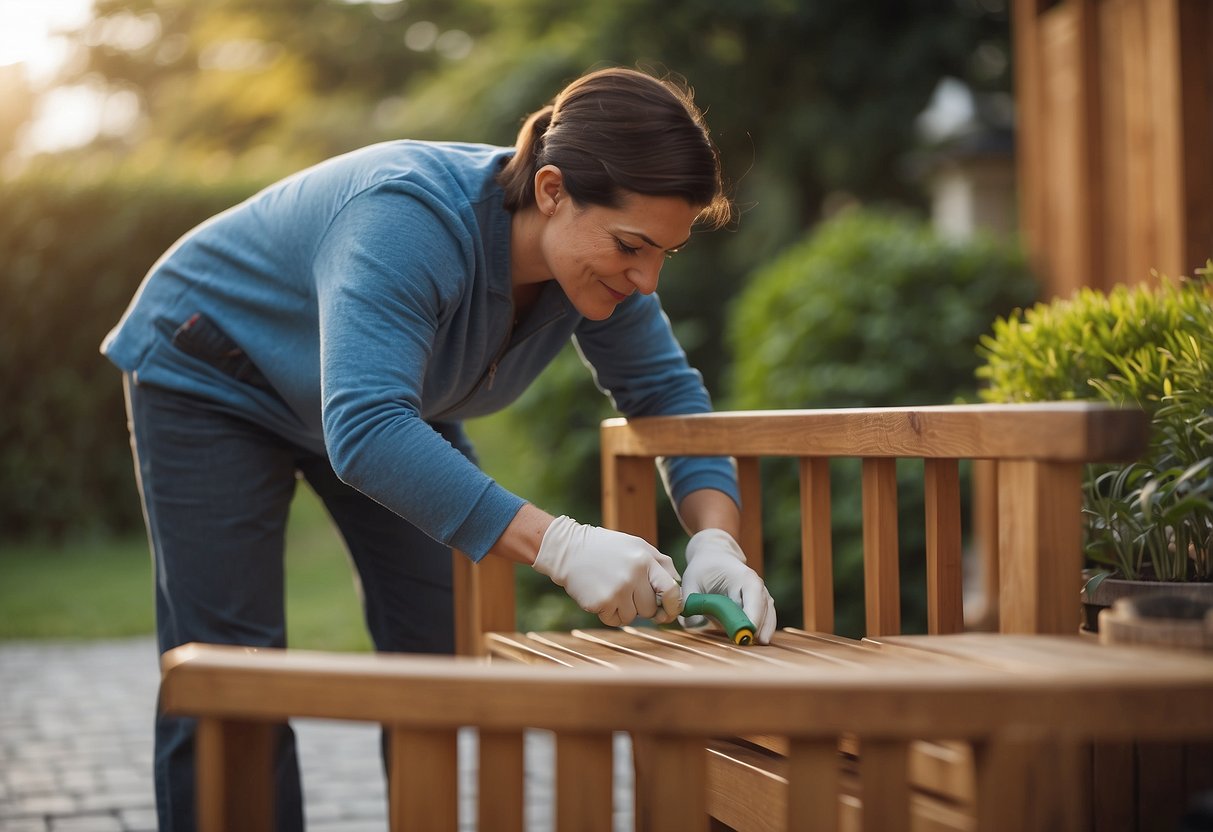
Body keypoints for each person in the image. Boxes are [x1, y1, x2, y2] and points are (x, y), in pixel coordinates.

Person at [102, 65, 777, 830]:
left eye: (664, 253)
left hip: (384, 402)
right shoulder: (408, 215)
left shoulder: (600, 271)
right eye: (631, 245)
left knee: (438, 651)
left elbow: (665, 397)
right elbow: (362, 430)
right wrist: (559, 543)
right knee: (234, 676)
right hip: (214, 368)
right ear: (551, 189)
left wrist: (716, 538)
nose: (647, 278)